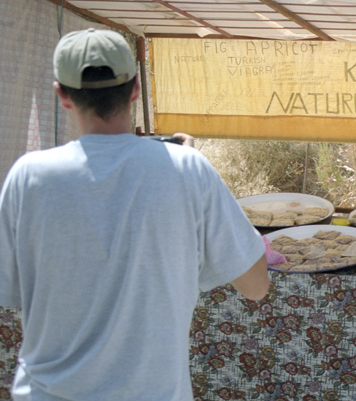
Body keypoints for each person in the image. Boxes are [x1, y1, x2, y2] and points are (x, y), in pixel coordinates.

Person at [0, 28, 270, 400]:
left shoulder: (28, 176)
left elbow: (10, 289)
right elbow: (256, 286)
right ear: (135, 90)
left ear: (62, 94)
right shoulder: (187, 169)